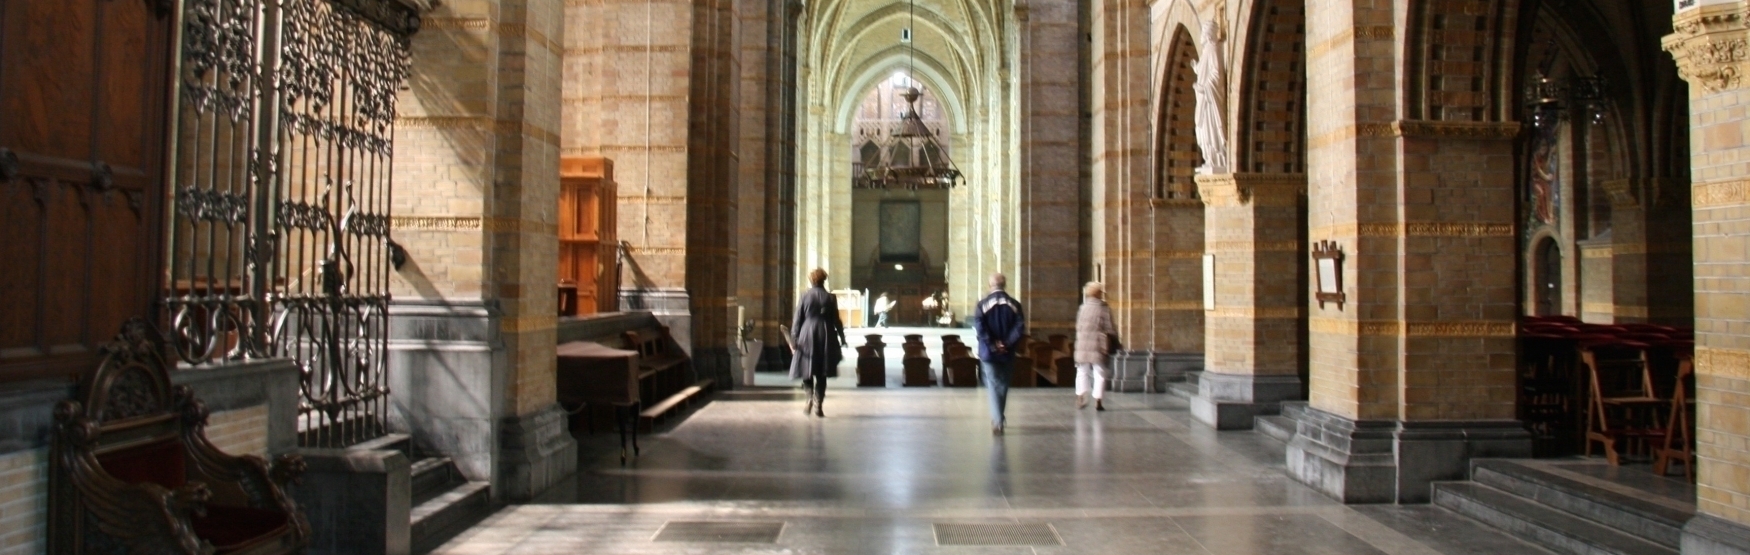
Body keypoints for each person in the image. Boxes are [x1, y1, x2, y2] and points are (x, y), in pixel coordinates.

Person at [790, 268, 848, 417]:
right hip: (826, 334)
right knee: (822, 372)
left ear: (811, 280)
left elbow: (797, 319)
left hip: (807, 333)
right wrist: (842, 338)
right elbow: (836, 320)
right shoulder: (830, 298)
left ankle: (809, 397)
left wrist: (794, 338)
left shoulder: (804, 296)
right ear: (824, 280)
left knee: (806, 368)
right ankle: (818, 404)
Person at [973, 273, 1024, 435]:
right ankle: (999, 417)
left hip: (989, 353)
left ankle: (998, 421)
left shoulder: (982, 305)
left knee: (994, 384)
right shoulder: (1015, 304)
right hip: (1008, 352)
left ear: (990, 286)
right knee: (1002, 385)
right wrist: (1007, 343)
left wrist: (993, 345)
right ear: (1005, 285)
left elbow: (980, 329)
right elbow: (1019, 328)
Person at [1073, 281, 1119, 411]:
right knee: (1099, 372)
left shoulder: (1083, 307)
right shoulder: (1103, 308)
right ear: (1099, 293)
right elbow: (1109, 327)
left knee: (1082, 371)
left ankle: (1081, 395)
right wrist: (1116, 340)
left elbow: (1078, 326)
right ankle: (1098, 399)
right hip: (1098, 344)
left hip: (1082, 343)